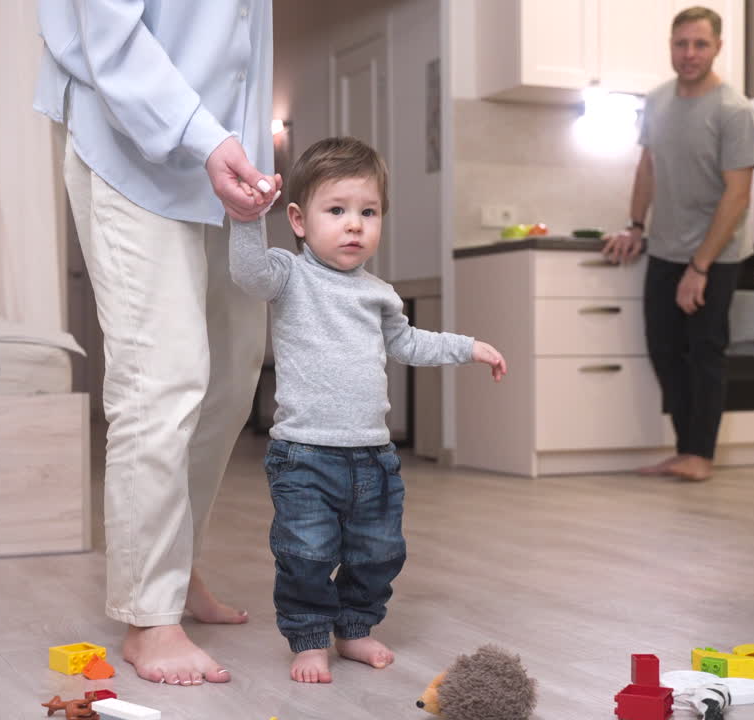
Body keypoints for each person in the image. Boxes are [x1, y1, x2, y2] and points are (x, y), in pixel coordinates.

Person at [34, 0, 281, 687]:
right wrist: (204, 137)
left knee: (233, 374)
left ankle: (178, 565)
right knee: (161, 376)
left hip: (225, 159)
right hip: (128, 142)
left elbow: (238, 39)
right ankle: (149, 616)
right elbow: (106, 31)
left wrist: (243, 150)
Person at [229, 137, 507, 683]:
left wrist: (466, 346)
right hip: (304, 453)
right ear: (299, 219)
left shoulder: (379, 293)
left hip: (374, 457)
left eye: (368, 212)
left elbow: (407, 343)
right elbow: (248, 275)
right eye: (337, 211)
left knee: (378, 552)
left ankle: (354, 628)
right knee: (305, 553)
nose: (354, 224)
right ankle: (309, 637)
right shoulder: (289, 275)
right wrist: (244, 219)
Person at [601, 5, 754, 482]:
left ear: (717, 47)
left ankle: (700, 455)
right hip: (667, 249)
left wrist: (701, 266)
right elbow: (648, 168)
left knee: (704, 350)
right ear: (671, 46)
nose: (689, 54)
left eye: (700, 44)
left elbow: (738, 195)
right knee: (664, 347)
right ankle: (685, 449)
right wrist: (635, 225)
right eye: (681, 44)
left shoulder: (734, 110)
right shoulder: (656, 101)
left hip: (716, 254)